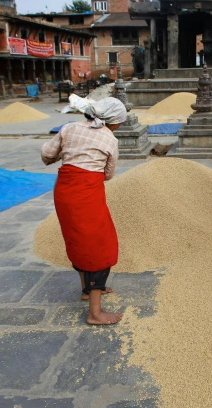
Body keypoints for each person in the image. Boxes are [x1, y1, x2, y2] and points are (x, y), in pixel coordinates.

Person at [40, 98, 127, 325]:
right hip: (87, 194)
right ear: (113, 122)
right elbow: (108, 173)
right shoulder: (109, 138)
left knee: (77, 239)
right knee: (100, 246)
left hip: (65, 193)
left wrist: (69, 155)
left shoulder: (69, 128)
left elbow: (47, 154)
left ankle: (86, 290)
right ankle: (95, 313)